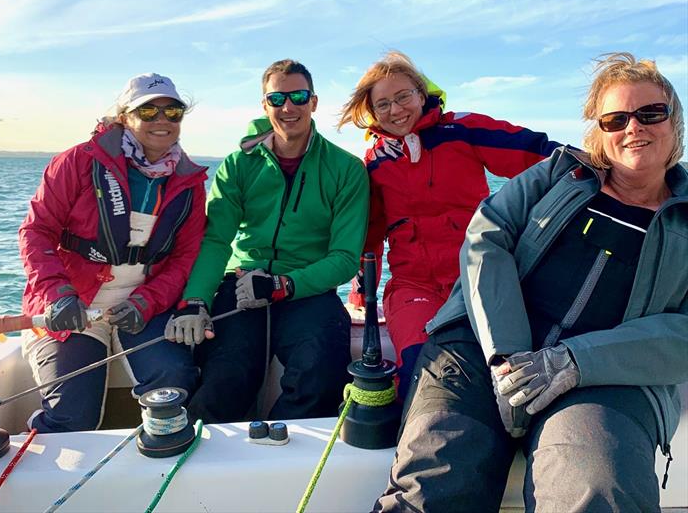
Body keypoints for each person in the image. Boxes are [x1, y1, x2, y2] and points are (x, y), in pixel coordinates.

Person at [373, 52, 688, 512]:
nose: (633, 128)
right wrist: (507, 357)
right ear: (597, 130)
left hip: (605, 381)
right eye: (616, 118)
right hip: (482, 351)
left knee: (597, 490)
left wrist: (572, 362)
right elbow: (486, 237)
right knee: (434, 480)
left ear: (674, 121)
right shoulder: (560, 175)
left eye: (650, 114)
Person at [338, 51, 559, 397]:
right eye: (383, 104)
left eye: (403, 97)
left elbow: (539, 155)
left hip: (479, 279)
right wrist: (360, 292)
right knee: (417, 367)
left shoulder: (463, 130)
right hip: (413, 286)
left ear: (421, 93)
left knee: (496, 371)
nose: (395, 111)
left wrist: (604, 168)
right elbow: (371, 234)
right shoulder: (376, 161)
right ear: (372, 111)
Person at [164, 59, 369, 423]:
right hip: (241, 284)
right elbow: (216, 240)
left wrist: (283, 285)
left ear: (314, 102)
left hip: (307, 289)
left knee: (320, 375)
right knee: (224, 380)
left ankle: (279, 453)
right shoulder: (237, 165)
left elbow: (344, 257)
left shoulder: (346, 169)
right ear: (265, 106)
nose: (288, 107)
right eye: (276, 98)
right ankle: (204, 467)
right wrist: (195, 299)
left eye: (298, 96)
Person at [18, 72, 207, 433]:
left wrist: (146, 302)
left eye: (173, 111)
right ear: (124, 117)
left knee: (175, 384)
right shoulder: (75, 162)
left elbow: (185, 258)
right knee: (71, 414)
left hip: (143, 308)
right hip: (72, 307)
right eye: (148, 111)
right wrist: (57, 295)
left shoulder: (190, 183)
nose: (162, 120)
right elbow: (35, 232)